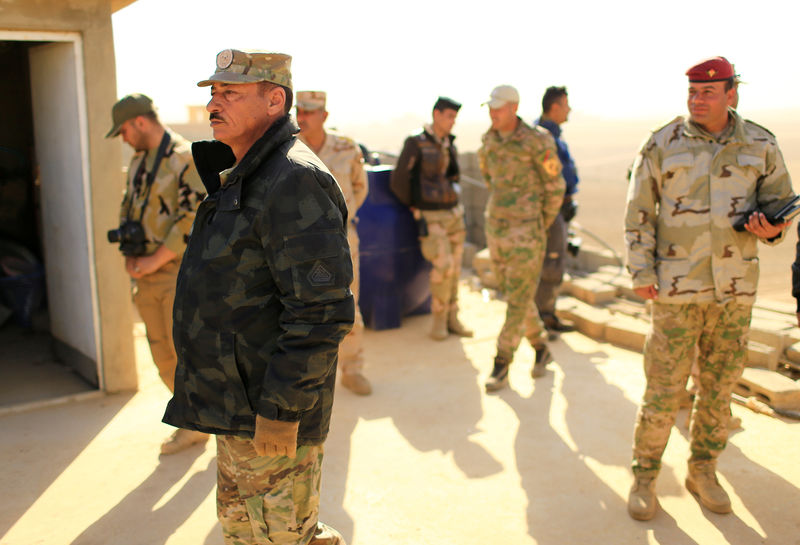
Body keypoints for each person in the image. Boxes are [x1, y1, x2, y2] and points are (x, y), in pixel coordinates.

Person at [162, 49, 352, 545]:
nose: (214, 103)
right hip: (236, 403)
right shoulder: (247, 170)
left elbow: (321, 310)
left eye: (231, 93)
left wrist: (282, 410)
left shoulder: (293, 180)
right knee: (244, 533)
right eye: (213, 92)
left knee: (281, 537)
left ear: (275, 100)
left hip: (267, 411)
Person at [624, 56, 794, 521]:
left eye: (708, 92)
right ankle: (644, 475)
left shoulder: (761, 144)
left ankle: (703, 470)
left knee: (719, 388)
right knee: (663, 388)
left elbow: (780, 205)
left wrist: (770, 229)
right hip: (678, 291)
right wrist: (641, 273)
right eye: (693, 92)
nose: (698, 100)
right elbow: (638, 213)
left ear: (730, 94)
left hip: (734, 289)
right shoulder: (663, 144)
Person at [105, 93, 208, 455]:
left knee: (186, 355)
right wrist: (132, 256)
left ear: (140, 122)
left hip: (176, 273)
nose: (123, 138)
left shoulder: (185, 157)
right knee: (162, 355)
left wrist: (154, 260)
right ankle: (193, 420)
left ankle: (203, 422)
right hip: (146, 274)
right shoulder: (138, 161)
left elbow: (194, 217)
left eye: (123, 131)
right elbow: (131, 208)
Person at [477, 85, 566, 392]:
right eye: (490, 107)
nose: (493, 113)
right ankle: (541, 348)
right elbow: (488, 176)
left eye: (498, 108)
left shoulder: (537, 141)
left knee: (516, 300)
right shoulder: (489, 138)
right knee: (516, 294)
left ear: (513, 107)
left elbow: (555, 186)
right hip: (497, 229)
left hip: (527, 233)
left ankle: (501, 363)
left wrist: (538, 223)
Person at [296, 91, 371, 396]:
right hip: (300, 245)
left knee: (347, 304)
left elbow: (359, 188)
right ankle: (310, 378)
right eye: (299, 111)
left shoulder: (345, 148)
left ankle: (352, 369)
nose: (302, 117)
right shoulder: (287, 148)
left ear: (324, 116)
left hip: (340, 241)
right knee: (303, 309)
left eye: (310, 112)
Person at [389, 97, 473, 341]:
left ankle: (452, 318)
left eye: (455, 118)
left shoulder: (448, 143)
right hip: (431, 216)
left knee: (455, 268)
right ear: (436, 114)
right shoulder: (416, 142)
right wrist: (415, 206)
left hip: (453, 214)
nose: (452, 122)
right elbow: (399, 180)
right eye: (449, 116)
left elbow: (453, 176)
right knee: (442, 266)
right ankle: (439, 320)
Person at [534, 86, 578, 336]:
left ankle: (544, 314)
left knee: (553, 261)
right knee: (551, 263)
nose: (569, 109)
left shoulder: (552, 135)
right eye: (565, 104)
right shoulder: (543, 137)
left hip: (559, 208)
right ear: (554, 107)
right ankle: (543, 318)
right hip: (550, 211)